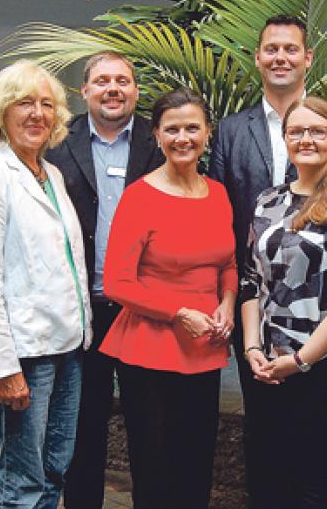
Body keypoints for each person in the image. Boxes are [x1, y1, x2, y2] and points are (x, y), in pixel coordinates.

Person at [207, 14, 327, 496]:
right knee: (264, 444)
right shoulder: (232, 131)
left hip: (326, 337)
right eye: (270, 49)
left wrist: (306, 355)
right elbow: (226, 223)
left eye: (290, 49)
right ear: (258, 58)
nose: (280, 57)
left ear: (307, 58)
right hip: (259, 322)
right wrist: (251, 340)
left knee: (321, 455)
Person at [0, 60, 92, 509]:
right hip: (25, 354)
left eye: (46, 104)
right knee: (23, 479)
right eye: (24, 102)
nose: (37, 113)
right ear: (0, 112)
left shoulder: (50, 174)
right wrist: (4, 367)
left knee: (55, 467)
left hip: (66, 346)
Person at [240, 96, 327, 508]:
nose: (306, 139)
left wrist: (302, 359)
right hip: (267, 365)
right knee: (268, 479)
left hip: (323, 366)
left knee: (316, 484)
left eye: (318, 131)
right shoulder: (268, 201)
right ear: (284, 138)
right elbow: (251, 281)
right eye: (296, 131)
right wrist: (252, 349)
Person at [100, 88, 237, 508]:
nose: (183, 137)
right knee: (155, 465)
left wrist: (228, 303)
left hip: (204, 346)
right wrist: (178, 313)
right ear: (156, 135)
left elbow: (228, 263)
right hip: (150, 347)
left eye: (192, 127)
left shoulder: (217, 192)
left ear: (207, 133)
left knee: (197, 461)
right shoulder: (139, 197)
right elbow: (116, 284)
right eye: (172, 129)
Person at [44, 50, 164, 508]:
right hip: (83, 310)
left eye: (123, 80)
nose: (114, 89)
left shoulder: (158, 144)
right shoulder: (57, 144)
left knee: (148, 425)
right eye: (103, 81)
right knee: (83, 426)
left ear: (135, 90)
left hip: (142, 308)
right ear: (85, 91)